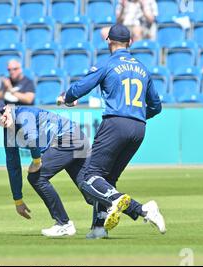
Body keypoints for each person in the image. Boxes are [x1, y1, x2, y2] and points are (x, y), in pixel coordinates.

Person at [57, 23, 166, 238]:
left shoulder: (108, 64)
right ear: (130, 42)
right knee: (107, 180)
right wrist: (137, 116)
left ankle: (142, 209)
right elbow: (156, 106)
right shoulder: (143, 68)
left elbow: (81, 87)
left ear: (108, 41)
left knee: (89, 178)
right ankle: (99, 229)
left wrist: (66, 98)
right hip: (138, 127)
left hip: (115, 123)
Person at [0, 98, 90, 237]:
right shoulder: (8, 135)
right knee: (89, 189)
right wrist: (18, 200)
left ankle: (64, 224)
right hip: (75, 139)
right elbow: (13, 166)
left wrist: (36, 161)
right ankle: (113, 203)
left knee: (37, 177)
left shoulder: (23, 114)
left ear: (8, 108)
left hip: (69, 139)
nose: (0, 120)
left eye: (0, 113)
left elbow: (32, 139)